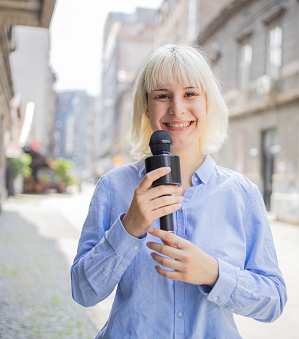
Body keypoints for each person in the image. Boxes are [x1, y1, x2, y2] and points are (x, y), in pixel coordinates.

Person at [71, 43, 287, 338]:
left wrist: (213, 273)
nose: (177, 108)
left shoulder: (240, 194)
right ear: (146, 107)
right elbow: (83, 291)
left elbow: (273, 301)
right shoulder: (113, 187)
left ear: (207, 103)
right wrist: (129, 227)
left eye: (190, 94)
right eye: (162, 95)